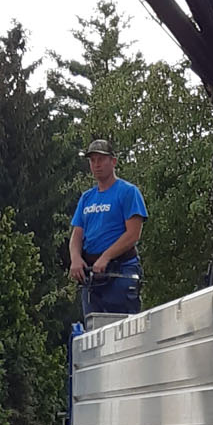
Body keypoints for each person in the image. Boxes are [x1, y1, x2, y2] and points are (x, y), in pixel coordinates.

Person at [69, 136, 146, 321]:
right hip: (92, 276)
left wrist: (106, 256)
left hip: (120, 271)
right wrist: (76, 259)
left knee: (124, 327)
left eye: (101, 159)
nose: (96, 165)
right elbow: (76, 234)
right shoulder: (87, 198)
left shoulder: (128, 192)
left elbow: (133, 234)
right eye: (92, 160)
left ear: (113, 161)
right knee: (93, 331)